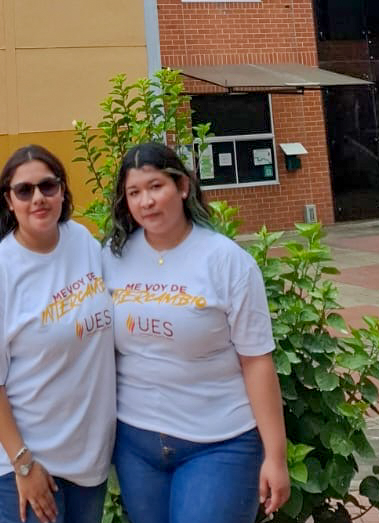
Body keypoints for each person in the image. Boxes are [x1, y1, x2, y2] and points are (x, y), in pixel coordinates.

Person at [103, 142, 290, 523]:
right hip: (136, 444)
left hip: (219, 443)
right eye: (134, 192)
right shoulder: (112, 256)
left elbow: (256, 361)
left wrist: (276, 455)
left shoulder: (227, 261)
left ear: (183, 187)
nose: (146, 202)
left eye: (156, 187)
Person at [0, 145, 116, 523]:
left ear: (63, 191)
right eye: (24, 191)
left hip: (87, 454)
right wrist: (23, 463)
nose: (38, 198)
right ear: (9, 201)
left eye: (48, 186)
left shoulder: (83, 242)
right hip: (25, 458)